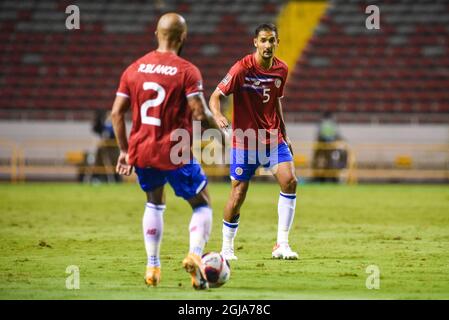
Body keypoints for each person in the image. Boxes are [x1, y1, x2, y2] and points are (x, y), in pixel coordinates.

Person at [111, 13, 218, 290]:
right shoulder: (187, 70)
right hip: (174, 150)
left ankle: (153, 266)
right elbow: (198, 112)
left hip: (142, 150)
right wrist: (218, 126)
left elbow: (116, 114)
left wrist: (125, 151)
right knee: (202, 203)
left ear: (156, 34)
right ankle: (195, 253)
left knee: (154, 203)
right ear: (183, 37)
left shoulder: (133, 69)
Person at [209, 23, 299, 261]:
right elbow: (215, 96)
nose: (268, 45)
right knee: (238, 195)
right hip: (245, 142)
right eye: (263, 40)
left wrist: (285, 133)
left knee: (290, 182)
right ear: (255, 42)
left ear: (277, 42)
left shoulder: (282, 70)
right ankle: (227, 247)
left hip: (272, 139)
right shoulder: (241, 68)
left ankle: (282, 244)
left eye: (272, 40)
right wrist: (218, 115)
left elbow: (276, 102)